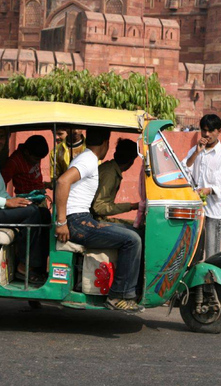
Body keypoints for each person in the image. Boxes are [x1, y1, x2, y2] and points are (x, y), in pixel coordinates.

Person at [54, 128, 144, 313]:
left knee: (135, 234)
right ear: (105, 143)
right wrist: (61, 223)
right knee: (132, 240)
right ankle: (119, 295)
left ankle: (131, 289)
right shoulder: (88, 160)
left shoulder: (89, 159)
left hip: (82, 218)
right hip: (77, 221)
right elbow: (63, 182)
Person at [0, 127, 49, 283]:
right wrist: (7, 202)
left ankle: (38, 267)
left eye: (2, 137)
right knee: (33, 212)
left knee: (43, 213)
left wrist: (16, 202)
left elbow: (0, 192)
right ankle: (24, 266)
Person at [184, 114, 221, 258]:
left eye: (210, 131)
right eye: (204, 130)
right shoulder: (195, 151)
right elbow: (183, 170)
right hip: (194, 212)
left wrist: (210, 190)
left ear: (219, 131)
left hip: (213, 213)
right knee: (191, 256)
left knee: (212, 257)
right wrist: (196, 153)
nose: (206, 134)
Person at [91, 138, 140, 220]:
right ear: (131, 162)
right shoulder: (110, 174)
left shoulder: (111, 169)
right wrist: (132, 206)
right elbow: (99, 208)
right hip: (93, 219)